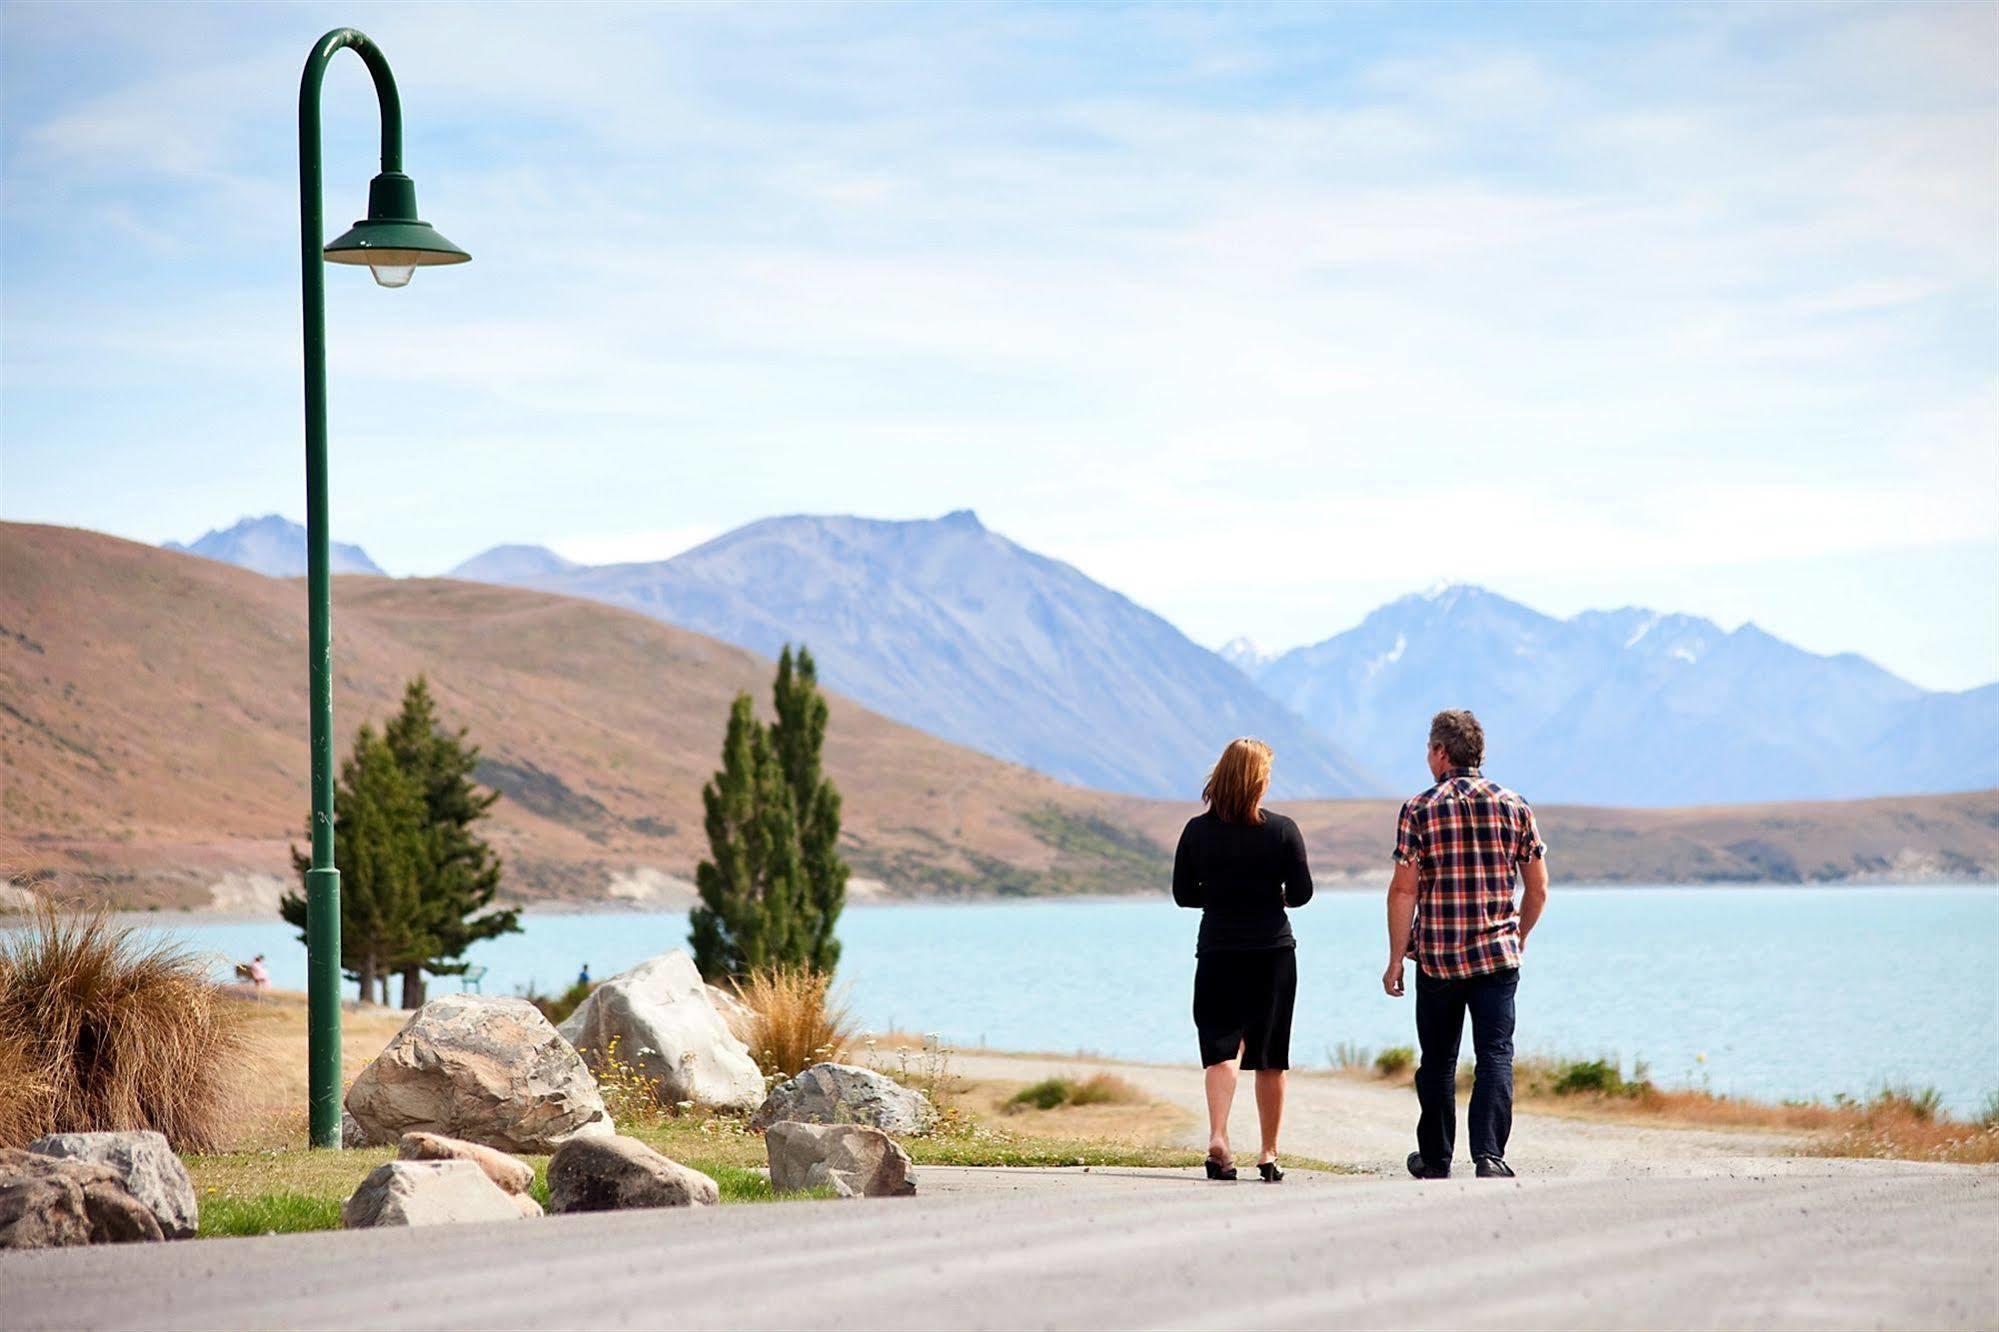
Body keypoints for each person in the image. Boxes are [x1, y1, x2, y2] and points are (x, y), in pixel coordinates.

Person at [1383, 709, 1549, 1180]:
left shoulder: (1419, 808)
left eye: (1428, 749)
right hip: (1497, 958)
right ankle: (1489, 1155)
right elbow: (1537, 889)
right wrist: (1517, 937)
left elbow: (1404, 890)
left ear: (1440, 753)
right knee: (1495, 1054)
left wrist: (1396, 958)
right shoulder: (1514, 805)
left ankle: (1435, 1157)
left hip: (1437, 958)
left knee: (1437, 1059)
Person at [1173, 737, 1313, 1182]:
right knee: (1270, 1057)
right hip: (1272, 953)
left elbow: (1181, 895)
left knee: (1220, 1050)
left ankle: (1219, 1137)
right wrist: (1271, 897)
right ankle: (1269, 1153)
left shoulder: (1196, 831)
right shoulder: (1283, 829)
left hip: (1217, 950)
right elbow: (1303, 892)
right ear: (1259, 780)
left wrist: (1219, 895)